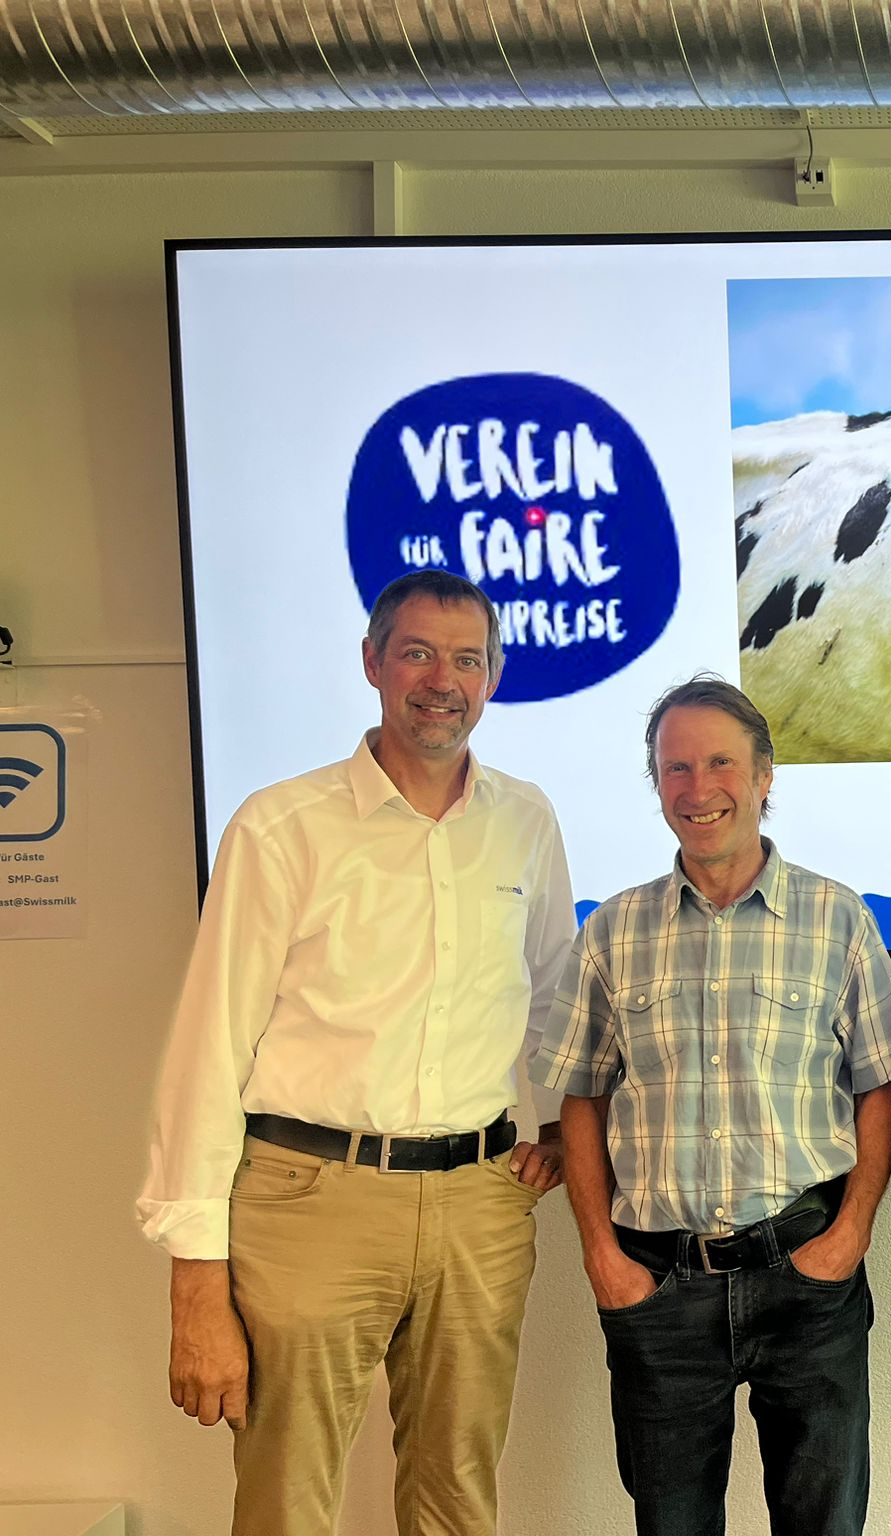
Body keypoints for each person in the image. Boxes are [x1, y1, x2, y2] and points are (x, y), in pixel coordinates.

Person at [138, 570, 575, 1535]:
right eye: (417, 652)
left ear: (495, 676)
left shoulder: (525, 821)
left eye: (467, 659)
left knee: (457, 1494)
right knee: (287, 1499)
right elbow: (209, 1050)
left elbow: (551, 996)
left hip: (479, 1203)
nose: (441, 680)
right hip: (310, 1201)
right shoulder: (280, 827)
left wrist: (552, 1128)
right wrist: (195, 1281)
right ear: (373, 663)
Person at [532, 673, 891, 1536]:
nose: (698, 789)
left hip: (805, 1275)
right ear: (657, 784)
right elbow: (582, 1097)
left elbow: (879, 1083)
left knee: (824, 1525)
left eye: (720, 763)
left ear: (766, 775)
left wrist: (852, 1232)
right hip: (658, 1287)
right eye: (675, 768)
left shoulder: (838, 918)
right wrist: (601, 1253)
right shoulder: (614, 930)